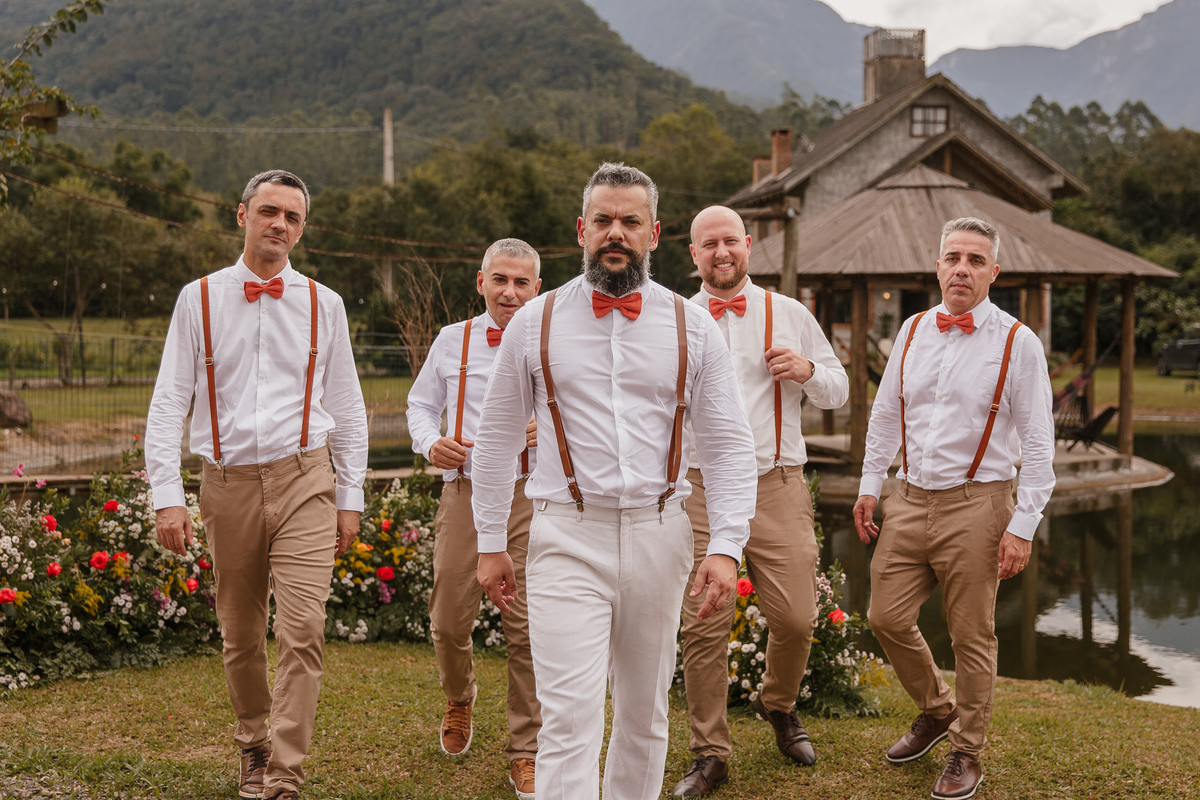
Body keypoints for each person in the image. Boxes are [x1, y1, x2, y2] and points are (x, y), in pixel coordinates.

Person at [468, 163, 758, 800]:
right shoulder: (534, 321)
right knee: (568, 718)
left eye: (630, 221)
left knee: (644, 715)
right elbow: (495, 441)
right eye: (603, 220)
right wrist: (490, 540)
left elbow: (729, 446)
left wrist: (726, 545)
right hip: (566, 535)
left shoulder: (692, 326)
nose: (616, 233)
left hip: (662, 534)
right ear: (582, 230)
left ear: (653, 232)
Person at [146, 170, 368, 800]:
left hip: (305, 479)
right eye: (269, 211)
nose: (279, 224)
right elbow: (169, 401)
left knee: (303, 630)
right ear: (241, 215)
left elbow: (348, 407)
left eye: (292, 217)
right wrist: (167, 495)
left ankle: (284, 774)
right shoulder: (198, 299)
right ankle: (253, 743)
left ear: (302, 229)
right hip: (227, 483)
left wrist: (350, 497)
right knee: (241, 634)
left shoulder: (326, 304)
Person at [852, 217, 1055, 800]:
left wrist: (1023, 526)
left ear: (994, 272)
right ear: (938, 266)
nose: (962, 269)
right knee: (885, 617)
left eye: (975, 260)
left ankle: (967, 752)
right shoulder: (913, 329)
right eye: (953, 258)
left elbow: (1039, 443)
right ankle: (938, 709)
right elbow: (886, 414)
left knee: (972, 636)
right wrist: (870, 484)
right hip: (908, 498)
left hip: (979, 504)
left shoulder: (1018, 342)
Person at [670, 206, 849, 797]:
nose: (721, 252)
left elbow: (840, 390)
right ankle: (710, 752)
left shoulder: (790, 313)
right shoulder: (673, 319)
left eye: (730, 241)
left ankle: (778, 703)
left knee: (796, 617)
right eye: (708, 244)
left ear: (748, 245)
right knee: (705, 622)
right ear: (693, 254)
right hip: (700, 487)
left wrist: (807, 370)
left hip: (776, 482)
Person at [405, 238, 543, 799]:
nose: (510, 292)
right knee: (447, 620)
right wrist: (430, 441)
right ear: (481, 281)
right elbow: (419, 406)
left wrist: (547, 428)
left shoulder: (554, 339)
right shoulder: (450, 340)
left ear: (537, 287)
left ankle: (526, 748)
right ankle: (460, 696)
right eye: (500, 280)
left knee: (527, 626)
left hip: (532, 494)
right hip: (464, 492)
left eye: (521, 282)